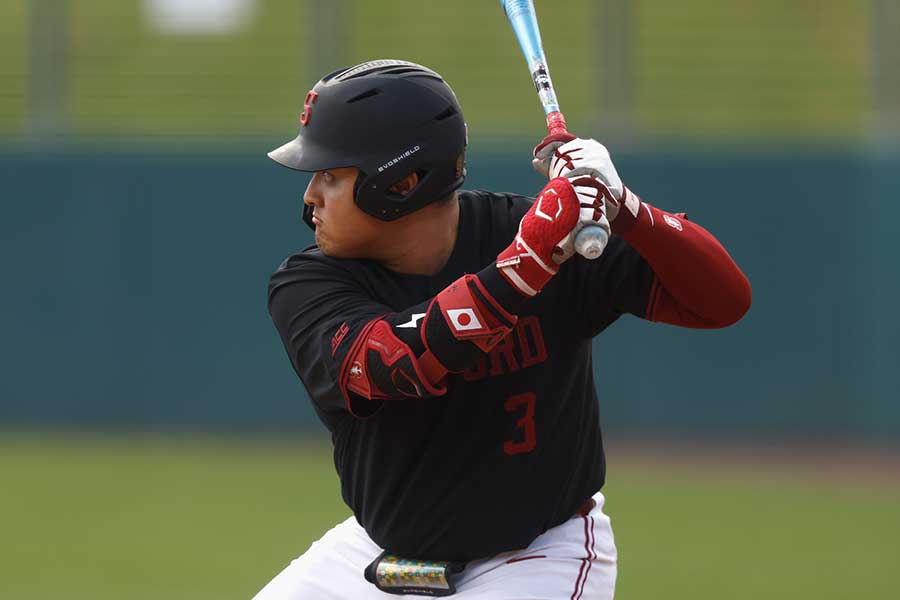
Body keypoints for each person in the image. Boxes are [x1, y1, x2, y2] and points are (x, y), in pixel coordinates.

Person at [256, 59, 751, 599]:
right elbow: (391, 362)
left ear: (400, 183)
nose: (311, 197)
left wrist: (625, 206)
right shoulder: (307, 283)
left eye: (330, 175)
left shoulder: (535, 237)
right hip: (378, 551)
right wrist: (525, 265)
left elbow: (721, 302)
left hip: (537, 556)